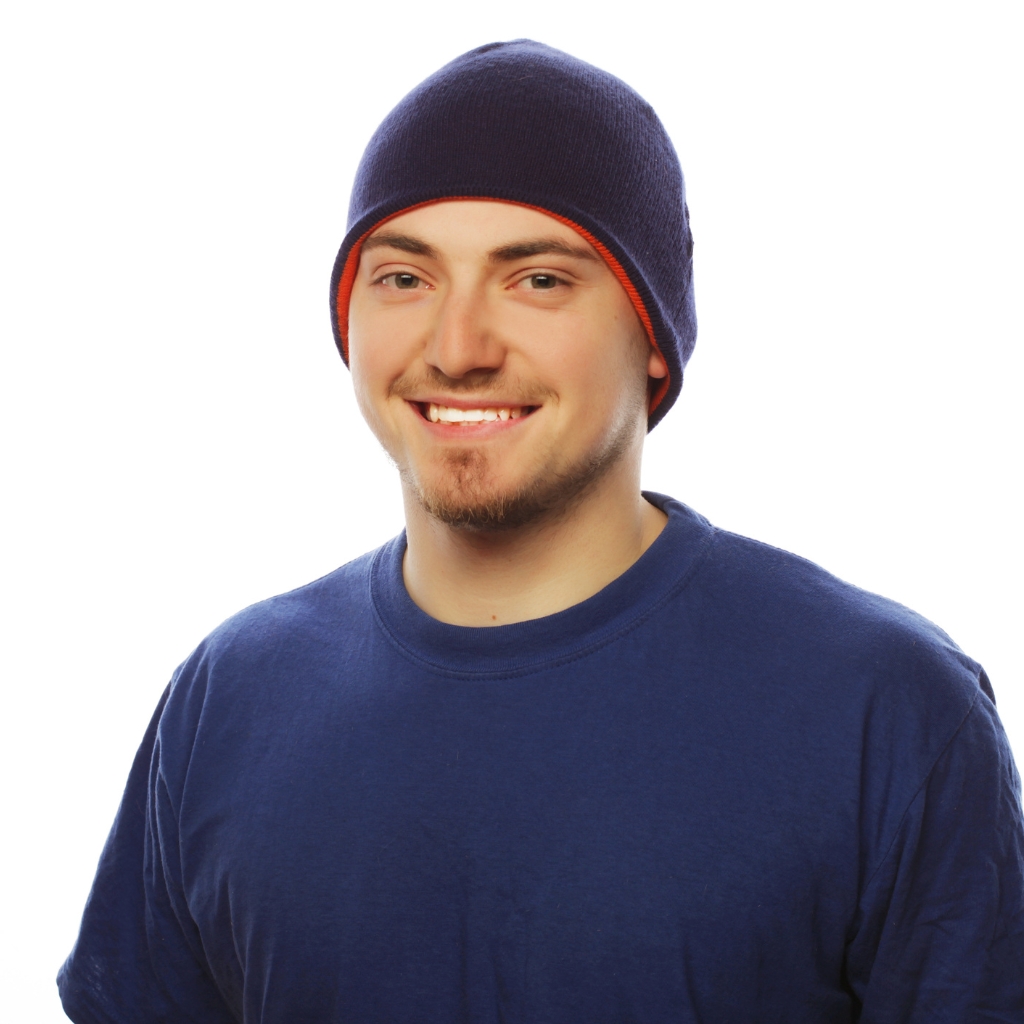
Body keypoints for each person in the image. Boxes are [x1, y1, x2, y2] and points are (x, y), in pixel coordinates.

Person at [58, 39, 1024, 1023]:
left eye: (539, 280)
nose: (458, 348)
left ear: (653, 337)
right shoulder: (230, 697)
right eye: (404, 277)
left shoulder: (883, 710)